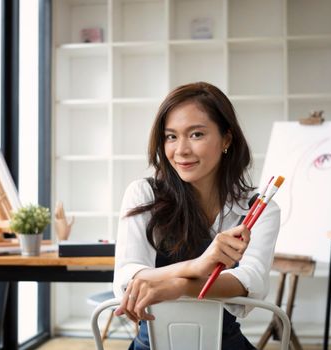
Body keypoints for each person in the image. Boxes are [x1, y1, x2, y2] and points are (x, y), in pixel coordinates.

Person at [113, 82, 280, 350]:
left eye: (196, 134)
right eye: (171, 137)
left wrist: (178, 287)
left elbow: (250, 281)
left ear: (226, 139)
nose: (181, 150)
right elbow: (127, 276)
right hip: (153, 345)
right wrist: (195, 267)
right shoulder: (144, 194)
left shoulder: (259, 208)